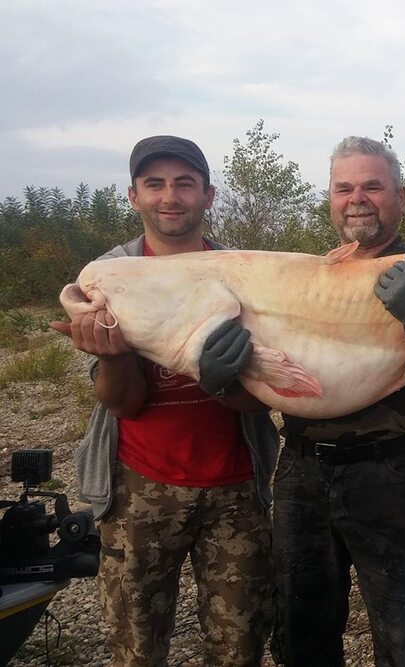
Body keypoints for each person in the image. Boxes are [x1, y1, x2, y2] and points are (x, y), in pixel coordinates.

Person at [52, 135, 276, 666]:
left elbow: (260, 402)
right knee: (135, 647)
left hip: (236, 486)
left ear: (209, 195)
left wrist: (226, 381)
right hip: (138, 486)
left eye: (184, 183)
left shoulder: (248, 272)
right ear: (134, 196)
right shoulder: (107, 277)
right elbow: (122, 404)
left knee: (240, 646)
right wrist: (113, 357)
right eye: (155, 184)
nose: (169, 196)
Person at [271, 136, 405, 666]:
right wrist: (223, 374)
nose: (358, 198)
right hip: (301, 473)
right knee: (298, 627)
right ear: (330, 198)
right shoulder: (306, 278)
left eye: (373, 186)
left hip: (394, 473)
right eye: (345, 187)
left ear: (401, 197)